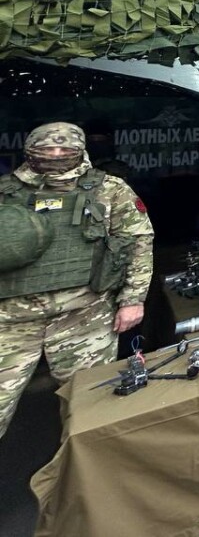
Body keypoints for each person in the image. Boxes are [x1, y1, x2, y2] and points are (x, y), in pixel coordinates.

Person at [0, 122, 154, 439]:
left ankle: (86, 476)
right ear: (29, 151)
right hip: (11, 319)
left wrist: (133, 300)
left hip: (85, 316)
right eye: (46, 151)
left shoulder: (109, 189)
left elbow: (138, 241)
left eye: (63, 150)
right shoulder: (6, 191)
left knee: (89, 405)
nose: (55, 156)